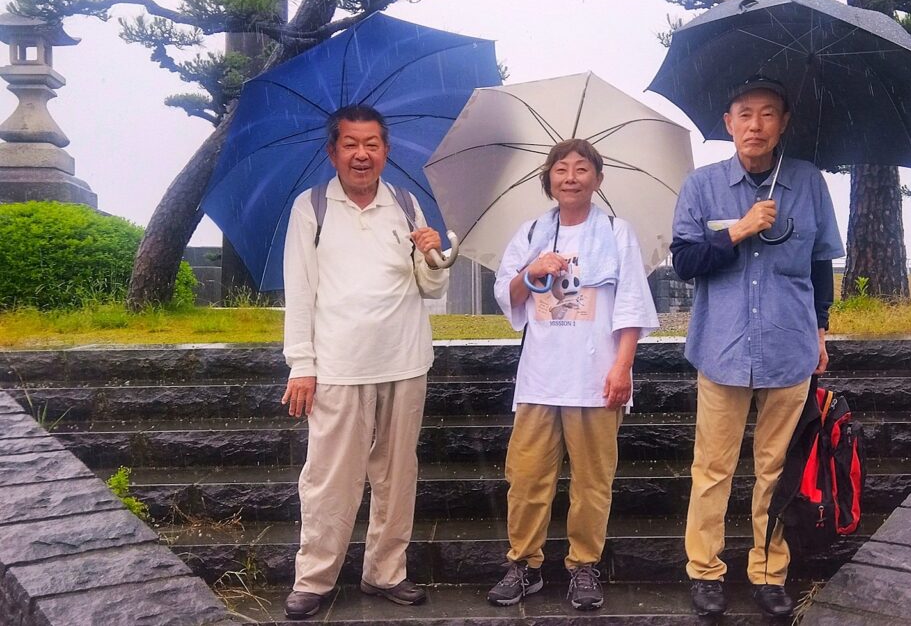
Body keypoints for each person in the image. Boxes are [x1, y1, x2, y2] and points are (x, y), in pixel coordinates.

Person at [670, 77, 845, 619]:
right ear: (728, 123)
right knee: (712, 468)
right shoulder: (702, 186)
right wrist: (739, 230)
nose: (755, 125)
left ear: (783, 123)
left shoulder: (807, 182)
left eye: (768, 114)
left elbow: (819, 264)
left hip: (790, 347)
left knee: (776, 468)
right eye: (744, 114)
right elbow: (684, 263)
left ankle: (769, 571)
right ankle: (705, 570)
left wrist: (820, 330)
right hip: (721, 348)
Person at [280, 104, 448, 619]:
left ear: (386, 151)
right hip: (338, 366)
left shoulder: (406, 204)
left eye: (371, 144)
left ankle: (386, 572)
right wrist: (301, 364)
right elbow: (300, 291)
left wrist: (433, 255)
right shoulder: (312, 207)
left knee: (397, 475)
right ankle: (314, 578)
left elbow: (430, 288)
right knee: (329, 477)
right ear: (332, 152)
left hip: (405, 360)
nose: (361, 154)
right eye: (350, 144)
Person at [489, 139, 659, 611]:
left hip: (596, 377)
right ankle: (524, 564)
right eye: (561, 169)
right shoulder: (531, 233)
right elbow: (507, 295)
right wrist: (532, 270)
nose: (571, 177)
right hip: (541, 378)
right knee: (526, 477)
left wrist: (622, 367)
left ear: (598, 180)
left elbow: (631, 303)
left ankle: (584, 565)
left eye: (582, 169)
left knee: (592, 482)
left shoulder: (616, 232)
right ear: (548, 180)